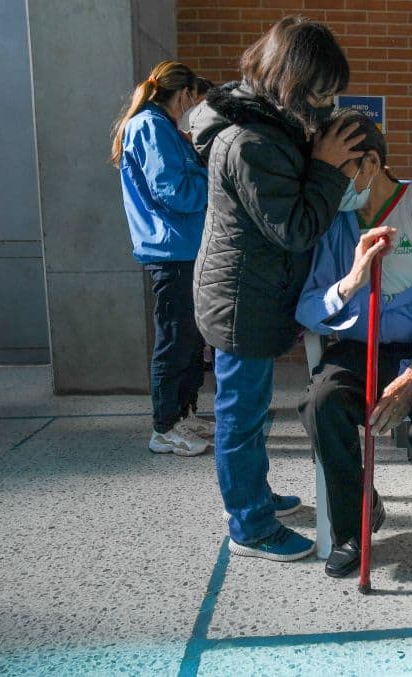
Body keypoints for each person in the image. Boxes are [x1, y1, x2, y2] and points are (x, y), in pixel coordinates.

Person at [189, 17, 364, 562]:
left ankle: (252, 495)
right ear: (291, 80)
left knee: (251, 409)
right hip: (242, 301)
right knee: (241, 416)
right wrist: (330, 169)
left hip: (253, 290)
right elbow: (295, 228)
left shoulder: (268, 122)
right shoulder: (250, 142)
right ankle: (249, 525)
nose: (329, 103)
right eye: (322, 91)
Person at [297, 110, 412, 604]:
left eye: (340, 170)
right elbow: (309, 305)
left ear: (371, 163)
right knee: (321, 401)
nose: (333, 183)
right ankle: (355, 525)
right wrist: (351, 281)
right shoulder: (333, 223)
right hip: (360, 347)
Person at [112, 60, 214, 457]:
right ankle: (164, 427)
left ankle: (182, 412)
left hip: (184, 247)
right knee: (174, 339)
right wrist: (217, 175)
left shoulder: (164, 128)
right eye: (196, 100)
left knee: (190, 340)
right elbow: (175, 191)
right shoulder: (151, 126)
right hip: (172, 251)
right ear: (185, 95)